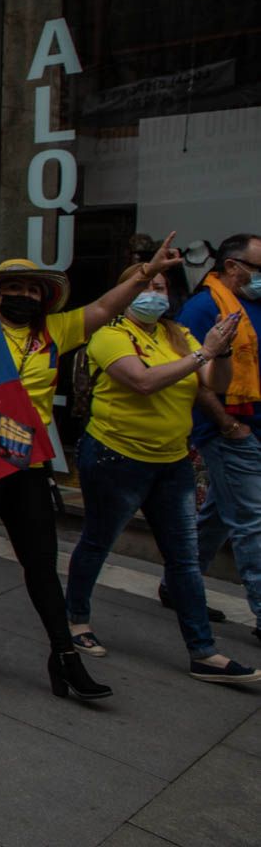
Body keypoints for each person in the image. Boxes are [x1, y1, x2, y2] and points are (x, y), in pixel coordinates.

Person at [0, 248, 192, 698]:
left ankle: (64, 657)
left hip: (28, 466)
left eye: (33, 290)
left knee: (41, 563)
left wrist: (145, 274)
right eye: (14, 289)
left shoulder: (54, 331)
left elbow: (106, 308)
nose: (24, 295)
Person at [63, 264, 256, 683]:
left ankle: (203, 652)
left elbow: (215, 384)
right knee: (97, 542)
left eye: (161, 287)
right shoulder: (109, 334)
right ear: (126, 290)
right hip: (116, 458)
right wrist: (203, 353)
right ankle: (76, 620)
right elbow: (143, 382)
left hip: (172, 462)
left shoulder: (176, 335)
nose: (155, 293)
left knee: (184, 560)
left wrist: (219, 352)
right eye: (146, 285)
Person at [178, 233, 261, 644]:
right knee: (252, 520)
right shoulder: (202, 307)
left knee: (217, 515)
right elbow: (191, 372)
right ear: (234, 266)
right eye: (258, 268)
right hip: (229, 430)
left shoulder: (252, 304)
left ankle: (179, 584)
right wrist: (228, 423)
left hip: (253, 427)